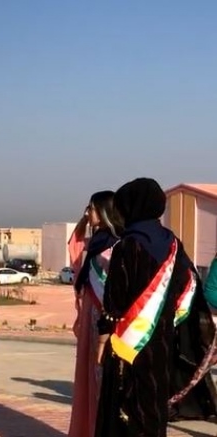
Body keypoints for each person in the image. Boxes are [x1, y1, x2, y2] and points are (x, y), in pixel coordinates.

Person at [95, 177, 217, 437]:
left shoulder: (127, 245)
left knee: (125, 405)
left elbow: (114, 299)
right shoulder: (173, 244)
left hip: (127, 341)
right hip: (162, 342)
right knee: (153, 404)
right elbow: (189, 286)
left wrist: (102, 337)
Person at [67, 191, 123, 437]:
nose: (87, 213)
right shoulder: (95, 244)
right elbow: (74, 241)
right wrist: (85, 217)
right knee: (89, 378)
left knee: (102, 379)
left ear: (104, 211)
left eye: (91, 208)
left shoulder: (115, 244)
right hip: (90, 314)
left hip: (104, 319)